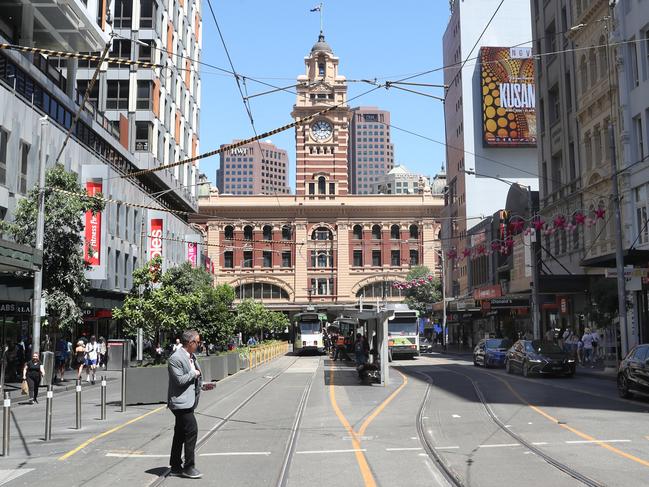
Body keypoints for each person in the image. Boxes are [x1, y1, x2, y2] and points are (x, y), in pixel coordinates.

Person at [167, 330, 203, 479]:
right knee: (191, 431)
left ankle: (175, 465)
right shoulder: (175, 359)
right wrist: (194, 374)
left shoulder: (191, 356)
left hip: (189, 400)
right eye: (198, 342)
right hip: (180, 403)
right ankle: (189, 467)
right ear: (190, 343)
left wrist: (202, 383)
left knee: (180, 433)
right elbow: (180, 380)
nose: (199, 344)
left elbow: (194, 375)